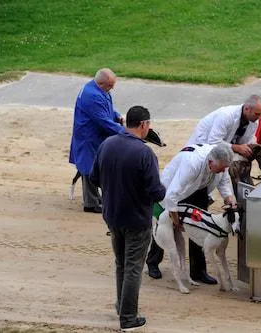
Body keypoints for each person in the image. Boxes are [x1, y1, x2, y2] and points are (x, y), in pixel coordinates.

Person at [90, 105, 166, 332]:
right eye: (149, 124)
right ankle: (128, 318)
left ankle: (122, 306)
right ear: (143, 125)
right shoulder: (144, 153)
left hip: (112, 215)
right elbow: (157, 192)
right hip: (136, 219)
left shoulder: (107, 145)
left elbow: (94, 178)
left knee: (121, 264)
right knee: (133, 267)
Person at [146, 142, 236, 285]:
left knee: (200, 226)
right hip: (175, 188)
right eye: (220, 169)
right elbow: (172, 194)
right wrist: (175, 219)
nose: (222, 171)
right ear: (211, 162)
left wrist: (229, 198)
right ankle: (153, 262)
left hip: (199, 188)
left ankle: (198, 271)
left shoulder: (220, 165)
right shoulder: (191, 164)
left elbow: (224, 182)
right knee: (165, 225)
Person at [69, 68, 125, 213]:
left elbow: (107, 109)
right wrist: (125, 132)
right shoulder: (92, 95)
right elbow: (103, 120)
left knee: (95, 165)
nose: (112, 88)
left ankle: (95, 197)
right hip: (89, 137)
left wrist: (117, 115)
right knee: (88, 168)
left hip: (94, 135)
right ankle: (90, 203)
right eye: (110, 85)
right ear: (101, 84)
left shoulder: (98, 90)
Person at [186, 95, 261, 157]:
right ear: (247, 109)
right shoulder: (226, 115)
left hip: (224, 149)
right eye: (257, 114)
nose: (259, 117)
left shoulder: (254, 121)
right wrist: (237, 148)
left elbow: (246, 142)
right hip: (202, 147)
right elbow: (213, 142)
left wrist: (253, 148)